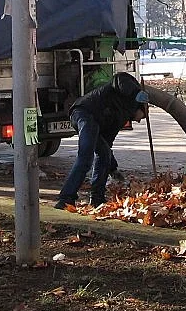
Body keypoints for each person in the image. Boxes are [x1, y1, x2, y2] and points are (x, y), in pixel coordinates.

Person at [55, 72, 149, 209]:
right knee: (85, 158)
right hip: (84, 112)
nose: (140, 120)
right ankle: (65, 199)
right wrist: (136, 93)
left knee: (104, 153)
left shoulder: (122, 117)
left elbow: (107, 144)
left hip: (93, 121)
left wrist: (113, 168)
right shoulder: (128, 88)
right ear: (140, 107)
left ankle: (97, 199)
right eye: (143, 116)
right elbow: (119, 79)